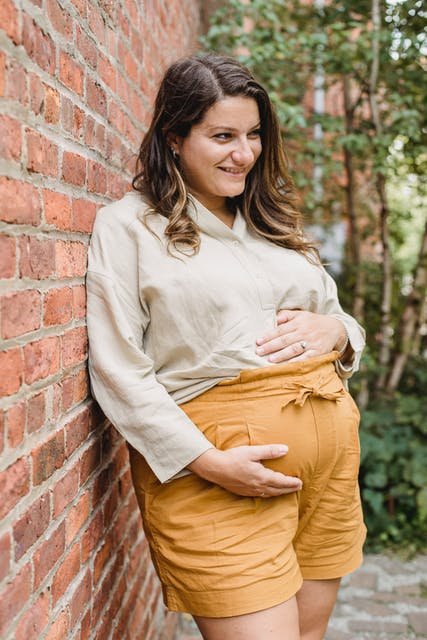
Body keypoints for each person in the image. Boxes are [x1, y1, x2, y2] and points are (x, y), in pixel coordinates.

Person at [86, 53, 366, 640]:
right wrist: (209, 463)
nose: (245, 153)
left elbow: (338, 319)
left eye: (254, 135)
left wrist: (338, 332)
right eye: (223, 136)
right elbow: (118, 369)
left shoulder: (274, 225)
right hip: (217, 478)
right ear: (174, 137)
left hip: (326, 477)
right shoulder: (131, 227)